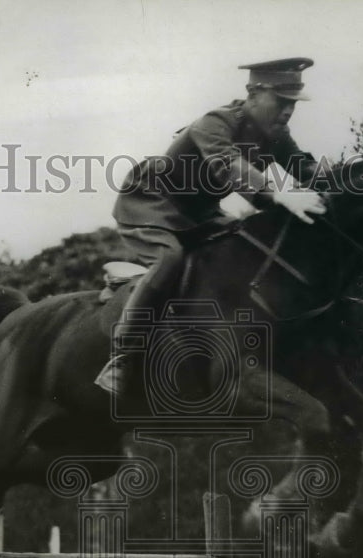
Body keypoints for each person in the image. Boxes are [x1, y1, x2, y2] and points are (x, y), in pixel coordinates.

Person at [95, 57, 327, 396]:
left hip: (197, 213)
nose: (288, 110)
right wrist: (278, 192)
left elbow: (305, 168)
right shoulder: (215, 123)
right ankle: (122, 357)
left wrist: (356, 183)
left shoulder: (275, 134)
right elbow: (227, 164)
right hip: (150, 203)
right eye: (281, 101)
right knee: (169, 258)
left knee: (242, 243)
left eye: (293, 103)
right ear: (255, 93)